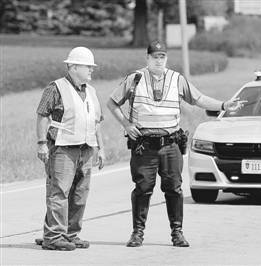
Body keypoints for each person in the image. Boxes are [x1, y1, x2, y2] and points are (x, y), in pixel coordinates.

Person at [107, 40, 245, 248]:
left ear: (166, 58)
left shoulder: (176, 79)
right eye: (155, 57)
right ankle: (137, 233)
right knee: (142, 188)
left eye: (162, 56)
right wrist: (126, 125)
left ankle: (177, 233)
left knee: (174, 189)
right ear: (148, 58)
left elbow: (198, 99)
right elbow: (112, 102)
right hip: (144, 146)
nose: (159, 60)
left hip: (170, 145)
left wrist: (223, 105)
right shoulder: (135, 79)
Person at [35, 47, 105, 251]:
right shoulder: (55, 88)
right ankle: (53, 236)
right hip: (62, 148)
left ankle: (70, 233)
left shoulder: (91, 91)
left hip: (86, 149)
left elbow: (96, 122)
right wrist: (41, 143)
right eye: (88, 67)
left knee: (80, 194)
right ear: (73, 67)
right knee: (59, 192)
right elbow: (42, 115)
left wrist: (101, 149)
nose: (92, 70)